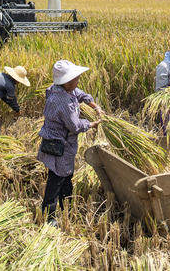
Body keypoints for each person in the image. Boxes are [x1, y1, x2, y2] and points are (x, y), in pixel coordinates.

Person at [37, 60, 102, 225]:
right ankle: (49, 217)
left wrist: (95, 106)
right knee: (56, 178)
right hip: (59, 144)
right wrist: (91, 124)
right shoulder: (62, 101)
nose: (78, 81)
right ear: (66, 81)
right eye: (75, 79)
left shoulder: (61, 88)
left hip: (62, 143)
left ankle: (67, 207)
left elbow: (81, 95)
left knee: (66, 175)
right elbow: (74, 125)